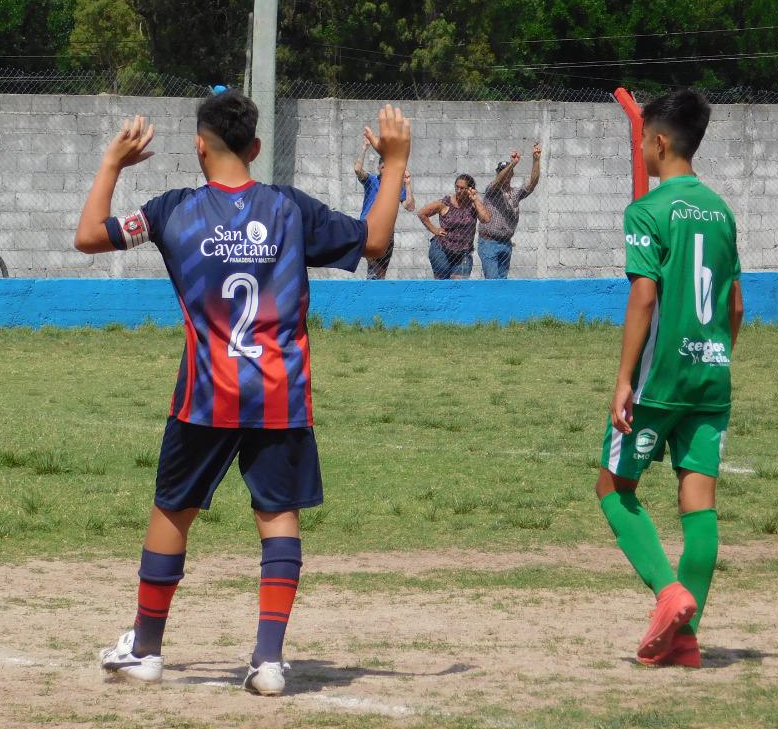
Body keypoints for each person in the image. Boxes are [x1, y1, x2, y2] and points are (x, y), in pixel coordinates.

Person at [73, 92, 411, 696]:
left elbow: (88, 237)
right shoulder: (289, 209)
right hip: (279, 394)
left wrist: (112, 165)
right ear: (256, 149)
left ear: (198, 146)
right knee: (277, 515)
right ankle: (269, 662)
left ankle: (146, 649)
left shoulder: (170, 210)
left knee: (172, 510)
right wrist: (395, 161)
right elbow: (377, 240)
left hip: (206, 395)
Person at [594, 89, 743, 670]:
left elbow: (644, 295)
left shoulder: (648, 212)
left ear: (658, 142)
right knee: (698, 501)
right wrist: (718, 358)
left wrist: (625, 378)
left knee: (613, 488)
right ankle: (685, 640)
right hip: (712, 374)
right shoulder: (721, 210)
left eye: (641, 140)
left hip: (661, 378)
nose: (641, 149)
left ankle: (668, 593)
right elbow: (733, 305)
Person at [353, 137, 415, 279]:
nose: (386, 170)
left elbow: (409, 206)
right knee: (372, 269)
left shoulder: (397, 185)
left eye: (389, 167)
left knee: (381, 273)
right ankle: (371, 286)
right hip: (369, 227)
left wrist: (408, 184)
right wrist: (364, 148)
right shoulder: (371, 180)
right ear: (379, 168)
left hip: (387, 230)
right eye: (383, 167)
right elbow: (357, 169)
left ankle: (376, 290)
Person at [479, 143, 542, 279]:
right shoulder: (492, 190)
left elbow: (533, 183)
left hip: (506, 243)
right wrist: (512, 164)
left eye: (508, 172)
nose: (505, 174)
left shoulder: (515, 193)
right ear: (498, 173)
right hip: (489, 242)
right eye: (501, 171)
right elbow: (499, 180)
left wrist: (536, 160)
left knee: (502, 283)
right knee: (492, 281)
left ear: (512, 174)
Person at [418, 174, 489, 279]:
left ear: (470, 189)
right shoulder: (445, 203)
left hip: (463, 253)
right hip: (442, 249)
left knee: (459, 286)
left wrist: (475, 199)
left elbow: (485, 219)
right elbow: (422, 213)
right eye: (457, 187)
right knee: (442, 284)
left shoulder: (473, 205)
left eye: (462, 188)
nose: (458, 190)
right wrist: (435, 230)